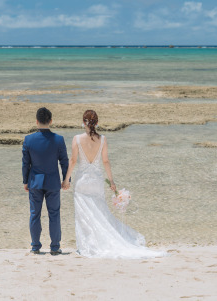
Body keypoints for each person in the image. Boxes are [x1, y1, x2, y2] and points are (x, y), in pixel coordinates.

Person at [62, 109, 163, 259]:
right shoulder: (102, 139)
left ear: (83, 122)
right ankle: (102, 241)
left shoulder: (76, 139)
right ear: (97, 123)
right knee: (101, 212)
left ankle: (88, 245)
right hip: (96, 181)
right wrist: (112, 181)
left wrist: (66, 180)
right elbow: (105, 161)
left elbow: (73, 161)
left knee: (84, 215)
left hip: (82, 182)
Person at [21, 107, 69, 255]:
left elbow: (25, 163)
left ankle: (35, 246)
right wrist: (66, 180)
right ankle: (55, 247)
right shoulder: (58, 139)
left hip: (35, 181)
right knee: (54, 214)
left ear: (36, 121)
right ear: (51, 121)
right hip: (53, 182)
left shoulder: (28, 139)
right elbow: (64, 162)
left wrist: (25, 181)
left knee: (34, 214)